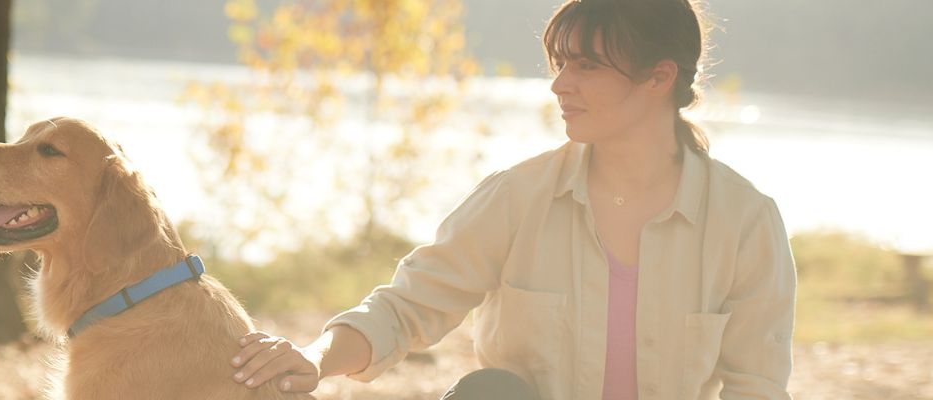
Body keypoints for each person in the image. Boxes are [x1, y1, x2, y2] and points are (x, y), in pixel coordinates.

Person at [226, 0, 797, 399]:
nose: (560, 85)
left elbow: (757, 386)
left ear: (658, 77)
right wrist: (314, 358)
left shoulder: (745, 222)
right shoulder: (518, 197)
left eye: (587, 66)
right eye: (560, 64)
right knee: (488, 393)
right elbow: (407, 306)